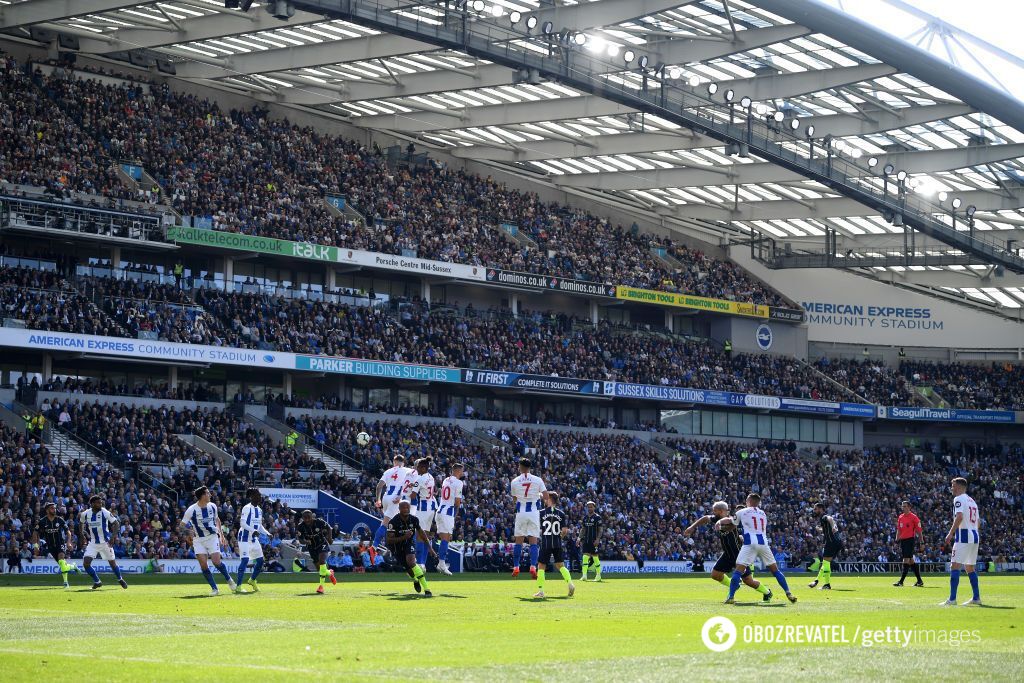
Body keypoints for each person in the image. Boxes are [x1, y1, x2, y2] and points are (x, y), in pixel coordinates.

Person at [683, 501, 772, 601]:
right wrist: (691, 527)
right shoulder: (716, 518)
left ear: (721, 511)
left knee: (748, 581)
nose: (713, 513)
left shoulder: (731, 520)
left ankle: (767, 592)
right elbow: (705, 518)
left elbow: (728, 520)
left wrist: (719, 523)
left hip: (739, 555)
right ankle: (734, 585)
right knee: (715, 575)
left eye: (715, 511)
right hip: (727, 554)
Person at [725, 493, 797, 605]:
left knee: (738, 570)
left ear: (748, 500)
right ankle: (788, 593)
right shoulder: (763, 513)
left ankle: (731, 596)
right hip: (764, 543)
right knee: (776, 571)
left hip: (749, 543)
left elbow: (732, 525)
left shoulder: (742, 511)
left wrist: (721, 525)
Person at [179, 486, 236, 596]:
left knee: (216, 562)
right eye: (208, 493)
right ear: (202, 496)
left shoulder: (213, 506)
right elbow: (181, 526)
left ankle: (229, 580)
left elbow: (217, 519)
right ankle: (215, 589)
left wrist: (221, 535)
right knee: (204, 565)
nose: (210, 495)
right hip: (198, 540)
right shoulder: (191, 510)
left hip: (212, 537)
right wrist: (189, 532)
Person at [941, 477, 981, 606]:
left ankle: (952, 599)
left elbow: (959, 516)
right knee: (970, 567)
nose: (951, 488)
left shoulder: (958, 499)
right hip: (974, 536)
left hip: (963, 536)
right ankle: (976, 598)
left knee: (955, 565)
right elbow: (978, 522)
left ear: (958, 486)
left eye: (953, 485)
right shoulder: (972, 501)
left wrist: (950, 533)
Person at [386, 500, 436, 597]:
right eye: (403, 508)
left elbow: (422, 533)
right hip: (397, 547)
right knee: (409, 569)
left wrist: (430, 548)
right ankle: (416, 579)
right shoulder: (393, 522)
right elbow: (389, 540)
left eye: (407, 507)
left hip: (409, 543)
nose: (406, 509)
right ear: (399, 509)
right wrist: (404, 537)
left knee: (411, 562)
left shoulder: (414, 519)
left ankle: (427, 589)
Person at [79, 495, 128, 590]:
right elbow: (81, 523)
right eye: (98, 503)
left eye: (101, 502)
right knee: (86, 563)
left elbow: (116, 523)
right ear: (92, 504)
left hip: (106, 543)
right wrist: (81, 535)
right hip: (93, 543)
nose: (100, 504)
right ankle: (97, 582)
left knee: (112, 563)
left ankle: (120, 579)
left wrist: (113, 537)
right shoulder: (85, 514)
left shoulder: (104, 512)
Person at [533, 491, 575, 599]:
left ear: (550, 499)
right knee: (560, 565)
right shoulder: (561, 513)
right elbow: (565, 531)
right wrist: (558, 537)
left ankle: (541, 591)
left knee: (541, 566)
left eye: (546, 498)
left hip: (546, 543)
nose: (545, 499)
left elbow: (537, 527)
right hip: (557, 543)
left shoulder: (541, 512)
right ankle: (570, 583)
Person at [510, 457, 546, 579]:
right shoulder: (538, 480)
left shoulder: (514, 481)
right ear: (530, 467)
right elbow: (545, 496)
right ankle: (532, 567)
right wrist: (538, 494)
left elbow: (514, 499)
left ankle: (516, 567)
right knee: (533, 542)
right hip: (534, 513)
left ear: (520, 466)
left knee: (518, 542)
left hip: (521, 513)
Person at [32, 502, 78, 589]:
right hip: (50, 546)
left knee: (61, 561)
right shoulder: (42, 521)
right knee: (63, 565)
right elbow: (35, 533)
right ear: (47, 510)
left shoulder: (59, 519)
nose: (55, 510)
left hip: (60, 543)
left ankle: (65, 583)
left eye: (55, 508)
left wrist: (68, 542)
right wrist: (36, 546)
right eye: (52, 508)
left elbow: (68, 532)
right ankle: (73, 566)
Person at [373, 454, 414, 550]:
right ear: (403, 463)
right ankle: (374, 547)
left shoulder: (388, 471)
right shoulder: (408, 471)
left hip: (386, 498)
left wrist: (378, 500)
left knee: (389, 523)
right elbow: (412, 484)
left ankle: (388, 546)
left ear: (394, 462)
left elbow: (379, 486)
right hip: (396, 499)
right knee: (386, 524)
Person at [235, 488, 272, 593]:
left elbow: (259, 526)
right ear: (252, 496)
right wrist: (253, 530)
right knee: (245, 560)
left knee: (260, 561)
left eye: (260, 495)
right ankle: (238, 586)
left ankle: (252, 580)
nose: (260, 497)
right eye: (258, 495)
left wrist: (268, 533)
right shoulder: (247, 508)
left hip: (253, 538)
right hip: (244, 538)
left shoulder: (259, 510)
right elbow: (242, 524)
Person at [296, 509, 336, 594]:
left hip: (322, 543)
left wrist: (329, 538)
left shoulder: (319, 522)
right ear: (302, 518)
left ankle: (321, 587)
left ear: (312, 517)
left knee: (322, 561)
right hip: (311, 547)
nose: (307, 519)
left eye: (308, 517)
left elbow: (329, 528)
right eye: (305, 518)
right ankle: (330, 573)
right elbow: (300, 539)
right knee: (320, 569)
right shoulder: (300, 526)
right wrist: (306, 542)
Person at [435, 462, 464, 576]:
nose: (462, 473)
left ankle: (440, 562)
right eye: (461, 471)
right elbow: (457, 502)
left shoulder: (446, 480)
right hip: (447, 513)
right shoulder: (459, 483)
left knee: (444, 539)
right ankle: (441, 564)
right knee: (446, 539)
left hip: (440, 510)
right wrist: (455, 515)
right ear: (458, 471)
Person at [409, 457, 437, 573]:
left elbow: (413, 496)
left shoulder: (419, 479)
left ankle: (420, 563)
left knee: (419, 536)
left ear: (423, 468)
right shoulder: (431, 477)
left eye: (418, 467)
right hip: (431, 506)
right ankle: (422, 563)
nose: (416, 469)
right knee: (425, 536)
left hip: (423, 508)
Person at [808, 503, 844, 590]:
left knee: (825, 563)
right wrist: (819, 529)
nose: (814, 511)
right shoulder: (823, 519)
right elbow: (826, 530)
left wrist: (833, 527)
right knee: (826, 563)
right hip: (838, 542)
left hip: (831, 542)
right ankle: (819, 582)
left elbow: (830, 519)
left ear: (820, 509)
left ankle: (824, 584)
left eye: (815, 509)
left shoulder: (824, 516)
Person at [894, 500, 924, 587]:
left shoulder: (914, 517)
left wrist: (921, 542)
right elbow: (899, 530)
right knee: (911, 561)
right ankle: (919, 581)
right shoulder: (900, 517)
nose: (903, 508)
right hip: (903, 541)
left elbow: (919, 531)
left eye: (905, 506)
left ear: (909, 507)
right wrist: (896, 540)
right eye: (902, 506)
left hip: (910, 540)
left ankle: (901, 581)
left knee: (906, 559)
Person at [578, 500, 603, 582]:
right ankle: (584, 575)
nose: (589, 508)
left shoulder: (597, 517)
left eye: (591, 507)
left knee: (595, 557)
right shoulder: (585, 518)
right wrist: (579, 538)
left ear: (594, 507)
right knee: (585, 557)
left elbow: (600, 529)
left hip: (594, 541)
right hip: (586, 541)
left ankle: (598, 575)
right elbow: (583, 529)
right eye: (588, 507)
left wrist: (598, 539)